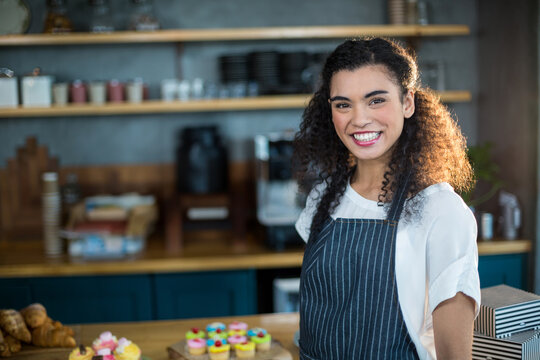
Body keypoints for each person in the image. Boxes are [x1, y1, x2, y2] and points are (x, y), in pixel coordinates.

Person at [293, 37, 480, 360]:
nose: (359, 119)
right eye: (342, 104)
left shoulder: (439, 210)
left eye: (376, 100)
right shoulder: (324, 198)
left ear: (407, 102)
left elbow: (454, 354)